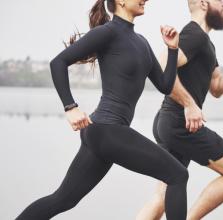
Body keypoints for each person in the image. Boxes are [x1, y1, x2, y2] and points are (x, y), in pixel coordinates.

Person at [16, 0, 189, 219]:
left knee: (63, 199)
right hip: (107, 130)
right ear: (121, 1)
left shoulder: (142, 42)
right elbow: (58, 62)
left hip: (103, 133)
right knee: (177, 175)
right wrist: (71, 107)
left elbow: (165, 85)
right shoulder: (108, 32)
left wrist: (172, 49)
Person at [136, 0, 223, 219]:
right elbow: (163, 65)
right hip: (180, 124)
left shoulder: (205, 42)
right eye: (219, 0)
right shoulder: (194, 35)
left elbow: (217, 87)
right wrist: (189, 104)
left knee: (163, 196)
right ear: (204, 4)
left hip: (168, 122)